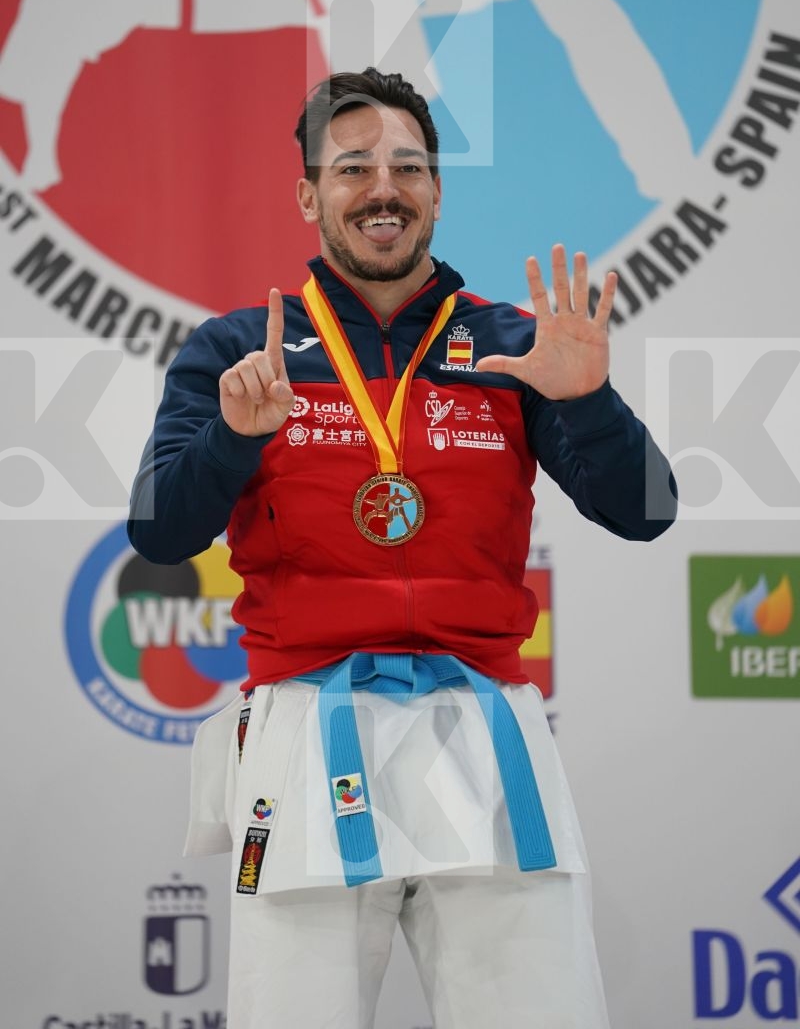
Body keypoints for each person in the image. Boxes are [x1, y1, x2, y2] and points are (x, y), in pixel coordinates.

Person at [128, 67, 677, 1029]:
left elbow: (648, 512)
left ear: (437, 190)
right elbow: (159, 531)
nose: (384, 188)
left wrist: (589, 401)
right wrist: (232, 439)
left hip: (485, 726)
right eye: (352, 168)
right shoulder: (240, 351)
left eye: (409, 167)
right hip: (306, 727)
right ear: (310, 196)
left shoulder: (511, 347)